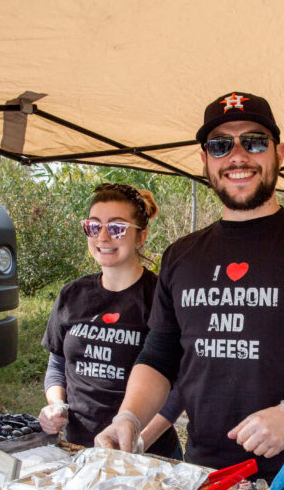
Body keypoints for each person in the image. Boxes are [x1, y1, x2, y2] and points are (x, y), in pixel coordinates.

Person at [97, 92, 284, 490]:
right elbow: (158, 356)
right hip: (203, 473)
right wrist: (129, 416)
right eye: (220, 145)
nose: (237, 156)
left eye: (253, 141)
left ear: (279, 153)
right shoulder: (181, 256)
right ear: (205, 160)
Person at [39, 183, 180, 458]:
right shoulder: (71, 294)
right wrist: (56, 406)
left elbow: (182, 384)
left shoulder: (160, 297)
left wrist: (139, 440)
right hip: (78, 449)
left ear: (141, 237)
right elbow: (57, 364)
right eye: (93, 226)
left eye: (117, 228)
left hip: (147, 454)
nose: (103, 236)